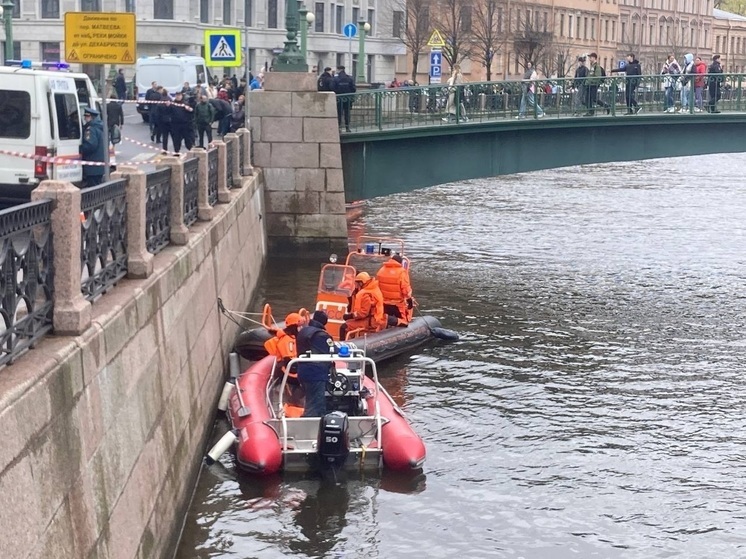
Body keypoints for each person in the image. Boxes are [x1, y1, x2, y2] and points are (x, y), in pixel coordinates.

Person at [295, 310, 335, 417]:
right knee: (316, 405)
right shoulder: (321, 335)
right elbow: (332, 349)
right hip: (316, 374)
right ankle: (311, 429)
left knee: (309, 401)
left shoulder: (303, 331)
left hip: (303, 371)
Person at [339, 272, 386, 340]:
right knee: (350, 322)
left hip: (369, 321)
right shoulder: (373, 289)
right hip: (373, 319)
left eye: (357, 283)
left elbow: (363, 313)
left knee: (344, 327)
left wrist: (351, 316)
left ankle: (342, 345)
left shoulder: (366, 295)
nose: (357, 286)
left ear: (361, 283)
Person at [375, 253, 413, 327]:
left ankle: (387, 321)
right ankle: (390, 319)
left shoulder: (381, 270)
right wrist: (409, 299)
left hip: (384, 303)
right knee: (404, 322)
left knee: (384, 323)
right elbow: (405, 290)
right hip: (397, 304)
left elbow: (377, 286)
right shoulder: (402, 272)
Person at [80, 107, 106, 187]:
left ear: (90, 117)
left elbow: (91, 145)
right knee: (97, 188)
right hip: (99, 165)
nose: (84, 118)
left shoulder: (91, 129)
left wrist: (80, 149)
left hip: (92, 166)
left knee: (93, 190)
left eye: (86, 116)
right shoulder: (101, 127)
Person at [333, 65, 356, 132]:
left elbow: (333, 88)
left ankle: (339, 127)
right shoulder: (350, 78)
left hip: (339, 98)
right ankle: (347, 127)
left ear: (338, 70)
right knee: (347, 113)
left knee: (339, 113)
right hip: (348, 98)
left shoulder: (336, 79)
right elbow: (353, 89)